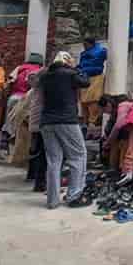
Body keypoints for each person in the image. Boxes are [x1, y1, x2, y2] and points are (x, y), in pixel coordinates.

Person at [39, 51, 90, 209]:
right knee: (78, 156)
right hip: (66, 120)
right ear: (68, 61)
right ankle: (74, 195)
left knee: (54, 161)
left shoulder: (45, 76)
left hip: (47, 122)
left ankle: (52, 201)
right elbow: (85, 82)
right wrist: (77, 69)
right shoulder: (70, 74)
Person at [5, 53, 43, 140]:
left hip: (12, 97)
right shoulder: (39, 70)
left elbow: (10, 81)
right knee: (22, 125)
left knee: (10, 122)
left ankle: (9, 139)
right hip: (25, 99)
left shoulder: (19, 68)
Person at [78, 38, 107, 131]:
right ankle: (85, 122)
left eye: (86, 44)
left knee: (94, 100)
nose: (84, 46)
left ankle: (92, 122)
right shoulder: (83, 54)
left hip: (96, 78)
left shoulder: (101, 51)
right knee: (83, 101)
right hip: (84, 78)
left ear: (91, 44)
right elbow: (81, 65)